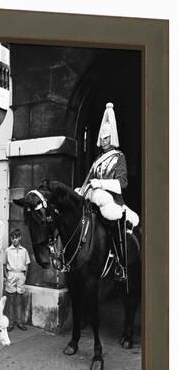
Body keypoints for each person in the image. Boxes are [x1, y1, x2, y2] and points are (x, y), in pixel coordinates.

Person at [76, 102, 139, 281]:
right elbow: (88, 180)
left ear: (111, 138)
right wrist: (82, 189)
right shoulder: (98, 159)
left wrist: (101, 184)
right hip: (96, 199)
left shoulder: (119, 158)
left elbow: (122, 183)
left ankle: (120, 264)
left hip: (113, 201)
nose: (102, 141)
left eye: (105, 138)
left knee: (114, 220)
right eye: (101, 138)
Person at [4, 228, 31, 331]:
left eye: (16, 237)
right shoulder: (7, 250)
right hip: (11, 274)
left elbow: (27, 265)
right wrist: (6, 275)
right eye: (12, 238)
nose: (14, 240)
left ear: (20, 238)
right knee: (11, 300)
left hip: (20, 275)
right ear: (11, 239)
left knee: (19, 300)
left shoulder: (24, 251)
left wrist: (24, 277)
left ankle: (19, 321)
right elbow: (4, 264)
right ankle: (11, 322)